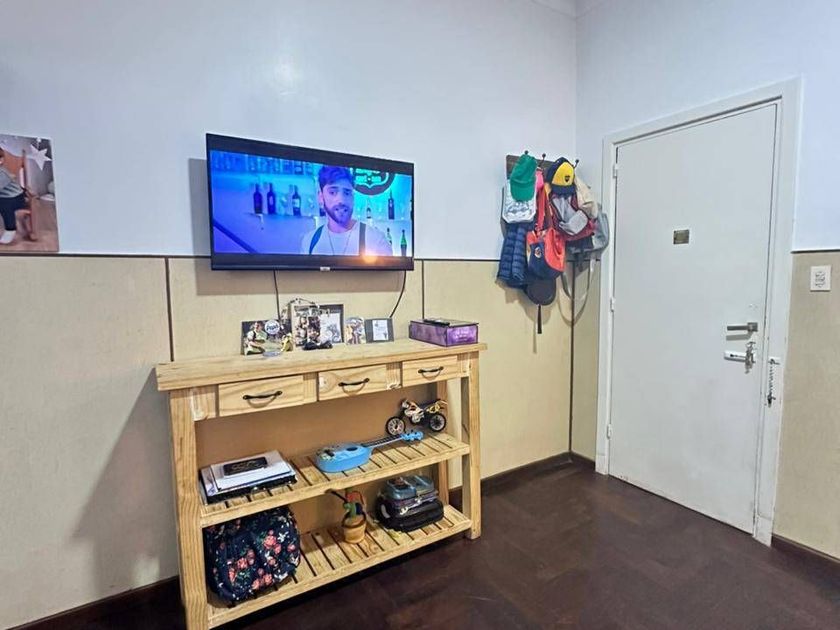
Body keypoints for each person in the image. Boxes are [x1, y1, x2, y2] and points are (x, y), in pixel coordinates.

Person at [300, 166, 392, 256]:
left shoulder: (376, 240)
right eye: (332, 192)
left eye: (347, 193)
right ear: (321, 197)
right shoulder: (309, 242)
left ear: (353, 198)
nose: (341, 200)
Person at [0, 149, 27, 245]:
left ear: (0, 161)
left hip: (16, 197)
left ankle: (10, 229)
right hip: (4, 196)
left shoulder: (2, 173)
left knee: (4, 205)